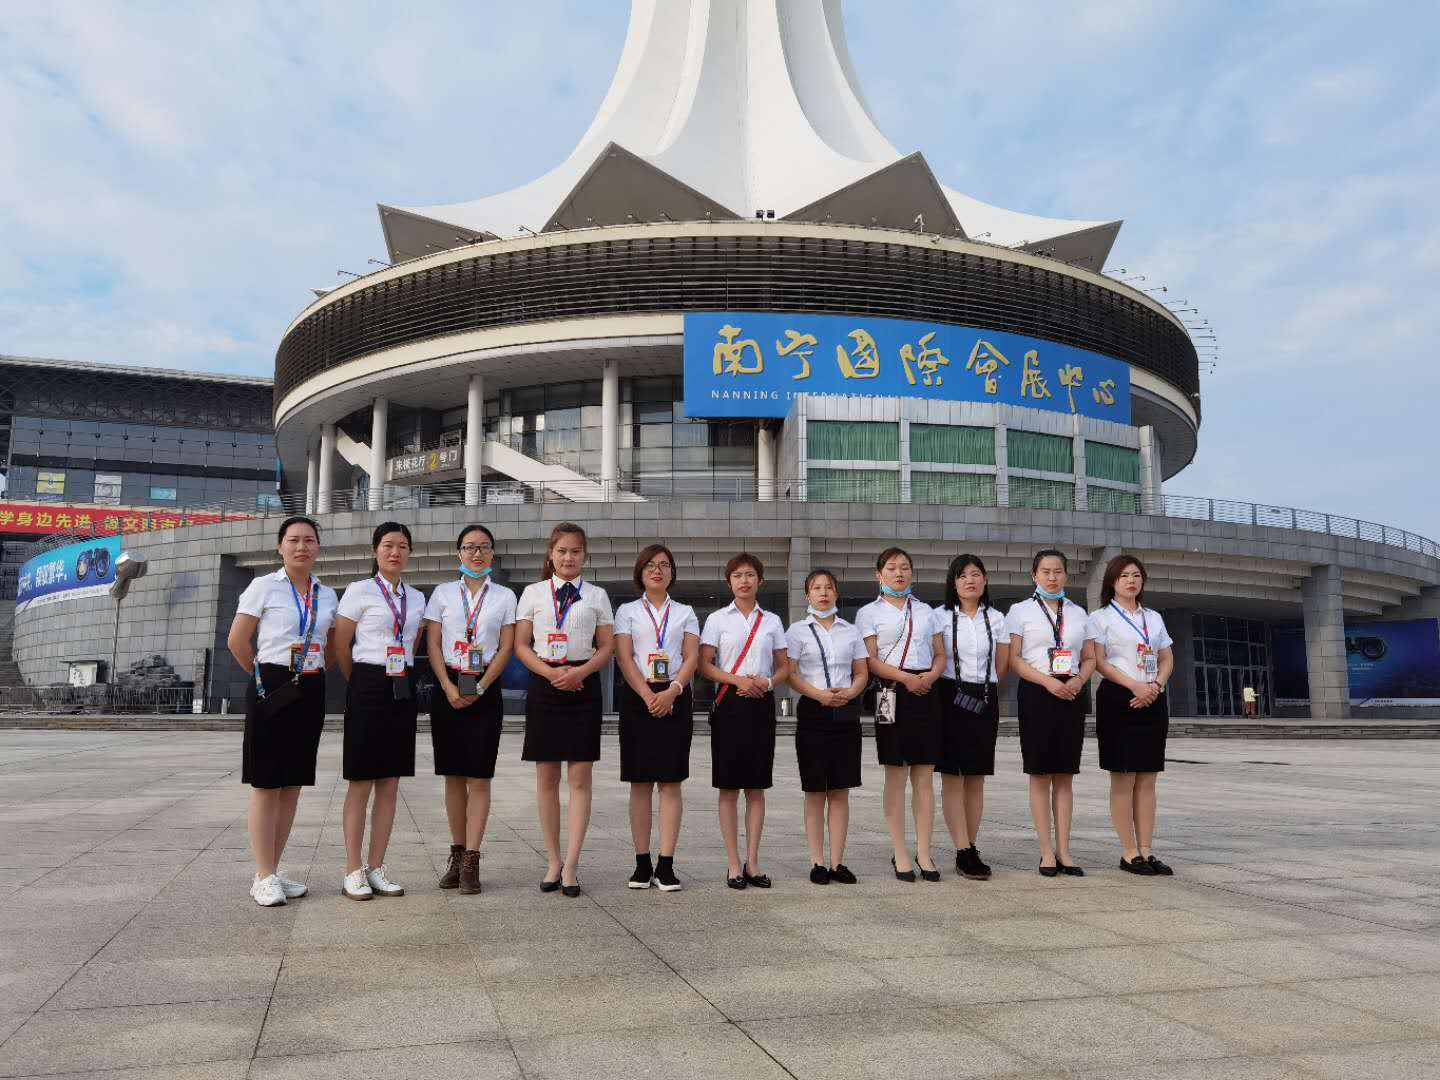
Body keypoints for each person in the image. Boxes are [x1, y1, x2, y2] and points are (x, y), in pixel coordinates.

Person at [226, 515, 337, 907]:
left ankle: (273, 869)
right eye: (293, 540)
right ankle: (262, 875)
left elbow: (330, 644)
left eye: (309, 540)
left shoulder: (327, 594)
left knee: (292, 783)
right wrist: (261, 677)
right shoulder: (264, 586)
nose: (301, 547)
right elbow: (237, 640)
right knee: (266, 782)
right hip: (271, 683)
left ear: (318, 547)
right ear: (280, 546)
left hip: (310, 684)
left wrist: (309, 673)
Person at [515, 522, 614, 898]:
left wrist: (579, 673)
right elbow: (521, 645)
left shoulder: (597, 596)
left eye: (575, 551)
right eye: (562, 551)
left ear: (584, 555)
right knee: (546, 779)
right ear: (551, 554)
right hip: (545, 684)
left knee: (580, 779)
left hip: (582, 685)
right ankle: (553, 860)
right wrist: (550, 673)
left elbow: (606, 646)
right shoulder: (533, 593)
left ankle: (571, 864)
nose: (568, 557)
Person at [422, 524, 517, 895]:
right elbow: (433, 643)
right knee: (453, 775)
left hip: (485, 685)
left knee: (479, 776)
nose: (477, 553)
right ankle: (457, 853)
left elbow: (506, 647)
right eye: (470, 547)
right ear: (458, 552)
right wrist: (448, 687)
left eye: (484, 547)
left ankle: (472, 860)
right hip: (448, 685)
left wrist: (481, 686)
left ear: (492, 553)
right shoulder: (443, 594)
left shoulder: (505, 596)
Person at [333, 522, 425, 900]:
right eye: (388, 545)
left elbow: (412, 642)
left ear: (409, 553)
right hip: (367, 683)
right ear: (375, 550)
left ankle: (376, 867)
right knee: (361, 781)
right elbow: (341, 644)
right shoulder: (359, 590)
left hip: (401, 684)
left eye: (402, 546)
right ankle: (352, 869)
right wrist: (360, 681)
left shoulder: (416, 598)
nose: (395, 552)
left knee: (390, 782)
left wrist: (395, 674)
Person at [699, 553, 790, 890]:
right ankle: (733, 863)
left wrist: (766, 683)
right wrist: (737, 680)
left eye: (750, 574)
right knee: (728, 787)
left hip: (761, 703)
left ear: (760, 581)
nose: (744, 580)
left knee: (756, 787)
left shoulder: (772, 621)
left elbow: (784, 666)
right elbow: (704, 664)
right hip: (730, 702)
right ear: (729, 582)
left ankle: (753, 862)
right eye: (737, 575)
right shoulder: (717, 619)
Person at [614, 544, 700, 892]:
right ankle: (641, 863)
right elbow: (624, 658)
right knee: (640, 783)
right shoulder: (627, 611)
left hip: (675, 697)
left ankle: (666, 864)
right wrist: (648, 695)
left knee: (670, 782)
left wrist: (672, 691)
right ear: (640, 571)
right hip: (639, 697)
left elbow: (691, 657)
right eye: (650, 565)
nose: (657, 570)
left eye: (664, 565)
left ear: (672, 573)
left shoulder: (685, 612)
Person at [857, 547, 946, 883]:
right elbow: (870, 660)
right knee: (895, 775)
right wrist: (906, 678)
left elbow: (940, 654)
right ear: (879, 574)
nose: (899, 573)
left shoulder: (926, 612)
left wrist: (929, 677)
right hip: (891, 692)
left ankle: (924, 851)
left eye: (905, 567)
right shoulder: (868, 613)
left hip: (926, 691)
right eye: (892, 568)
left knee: (924, 776)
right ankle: (901, 851)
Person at [1005, 548, 1095, 878]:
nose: (1052, 577)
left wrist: (1078, 681)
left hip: (1071, 693)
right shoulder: (1020, 611)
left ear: (1066, 575)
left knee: (1065, 775)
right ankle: (1046, 851)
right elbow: (1014, 659)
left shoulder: (1078, 613)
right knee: (1041, 774)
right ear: (1034, 575)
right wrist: (1047, 682)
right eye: (1045, 571)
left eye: (1058, 571)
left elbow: (1089, 657)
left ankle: (1064, 851)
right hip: (1037, 692)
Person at [1086, 555, 1176, 877]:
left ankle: (1147, 849)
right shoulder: (1099, 618)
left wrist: (1155, 685)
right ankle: (1129, 852)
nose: (1131, 581)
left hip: (1152, 697)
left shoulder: (1153, 617)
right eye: (1124, 575)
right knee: (1124, 776)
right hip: (1118, 697)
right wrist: (1134, 685)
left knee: (1148, 777)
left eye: (1136, 575)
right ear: (1112, 581)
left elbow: (1166, 657)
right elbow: (1099, 661)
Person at [784, 568, 868, 885]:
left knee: (840, 790)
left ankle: (838, 862)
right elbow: (790, 673)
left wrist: (850, 692)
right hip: (813, 711)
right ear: (807, 595)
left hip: (845, 712)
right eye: (817, 588)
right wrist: (819, 694)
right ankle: (817, 861)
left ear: (836, 593)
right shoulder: (797, 631)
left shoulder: (851, 631)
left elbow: (861, 671)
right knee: (815, 790)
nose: (823, 592)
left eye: (829, 587)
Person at [935, 554, 1009, 881]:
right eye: (963, 575)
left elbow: (1002, 665)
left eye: (976, 574)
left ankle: (971, 844)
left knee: (976, 776)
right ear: (953, 582)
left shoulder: (997, 618)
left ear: (985, 580)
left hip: (984, 698)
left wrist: (984, 690)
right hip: (949, 696)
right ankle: (962, 848)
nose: (970, 580)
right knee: (953, 776)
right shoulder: (939, 617)